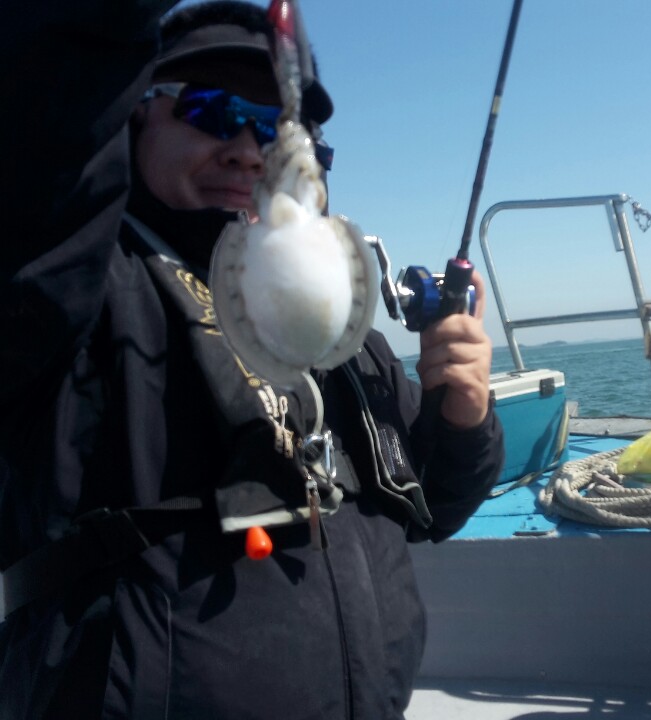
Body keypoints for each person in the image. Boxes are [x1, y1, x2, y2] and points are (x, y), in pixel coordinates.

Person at [0, 1, 504, 718]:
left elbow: (435, 508)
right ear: (134, 119)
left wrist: (464, 416)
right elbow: (50, 94)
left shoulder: (346, 340)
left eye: (274, 128)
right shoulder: (73, 290)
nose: (245, 149)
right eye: (208, 110)